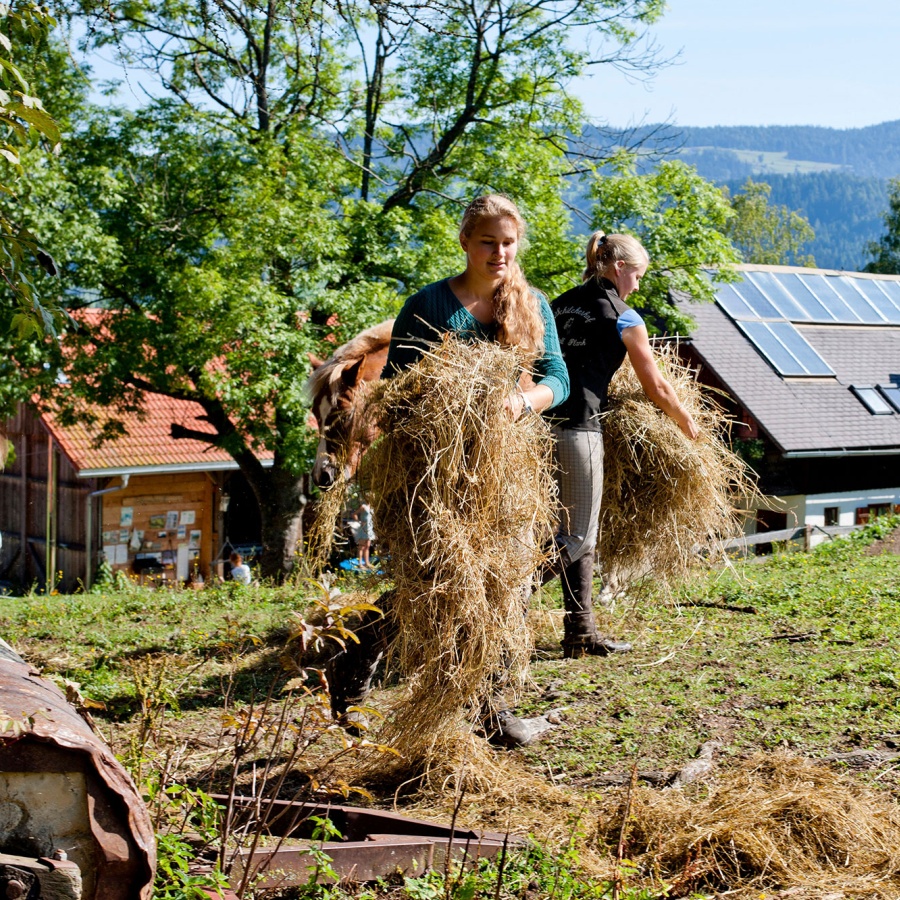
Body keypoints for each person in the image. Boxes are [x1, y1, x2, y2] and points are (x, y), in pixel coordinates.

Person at [329, 194, 569, 745]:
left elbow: (559, 377)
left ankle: (491, 708)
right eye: (488, 241)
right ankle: (355, 656)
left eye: (508, 242)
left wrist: (523, 402)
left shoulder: (532, 305)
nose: (499, 252)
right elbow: (396, 389)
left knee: (505, 585)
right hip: (437, 470)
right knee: (435, 584)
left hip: (509, 470)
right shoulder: (430, 305)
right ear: (465, 242)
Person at [548, 231, 700, 657]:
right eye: (636, 275)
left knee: (574, 532)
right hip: (579, 430)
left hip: (538, 426)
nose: (637, 285)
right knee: (577, 537)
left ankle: (581, 630)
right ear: (618, 268)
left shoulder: (558, 304)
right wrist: (686, 421)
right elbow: (657, 386)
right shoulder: (624, 316)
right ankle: (502, 598)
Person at [355, 499, 375, 568]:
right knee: (361, 547)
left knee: (367, 547)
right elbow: (354, 514)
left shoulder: (372, 507)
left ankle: (367, 563)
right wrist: (360, 522)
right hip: (363, 529)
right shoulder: (363, 506)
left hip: (369, 529)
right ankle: (360, 563)